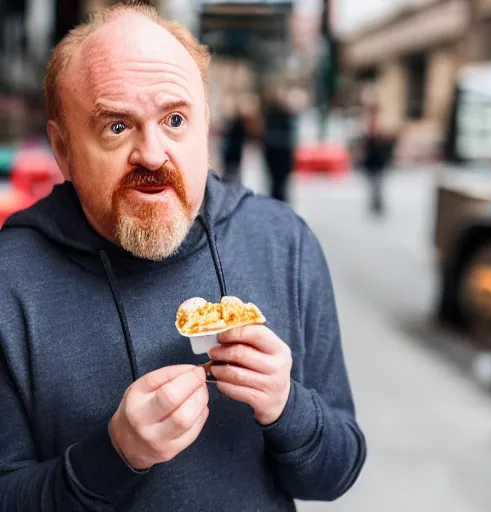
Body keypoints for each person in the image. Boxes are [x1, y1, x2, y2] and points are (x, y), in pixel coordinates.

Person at [0, 4, 366, 511]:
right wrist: (113, 456)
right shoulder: (11, 278)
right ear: (62, 150)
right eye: (117, 127)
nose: (152, 154)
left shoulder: (284, 242)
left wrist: (288, 406)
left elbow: (337, 474)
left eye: (174, 119)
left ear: (206, 127)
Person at [262, 85, 298, 203]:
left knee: (279, 184)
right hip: (278, 155)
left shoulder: (275, 115)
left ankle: (278, 202)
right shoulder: (274, 115)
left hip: (278, 155)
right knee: (278, 185)